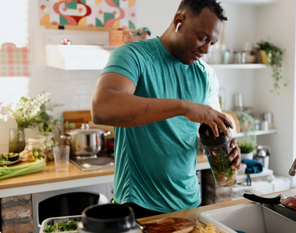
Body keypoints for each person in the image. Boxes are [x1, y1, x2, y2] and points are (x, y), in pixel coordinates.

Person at [91, 0, 241, 218]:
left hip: (189, 204)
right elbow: (102, 108)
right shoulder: (134, 56)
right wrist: (183, 107)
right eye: (202, 37)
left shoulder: (205, 75)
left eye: (213, 42)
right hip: (138, 206)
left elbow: (214, 131)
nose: (206, 49)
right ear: (179, 21)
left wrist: (227, 149)